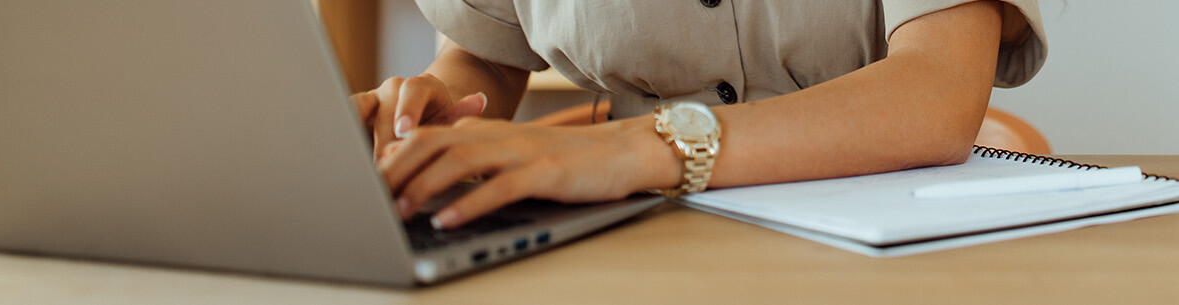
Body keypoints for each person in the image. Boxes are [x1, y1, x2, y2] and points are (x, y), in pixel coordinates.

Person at [350, 0, 1047, 229]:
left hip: (888, 239)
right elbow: (486, 51)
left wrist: (643, 147)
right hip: (632, 236)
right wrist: (433, 111)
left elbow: (936, 91)